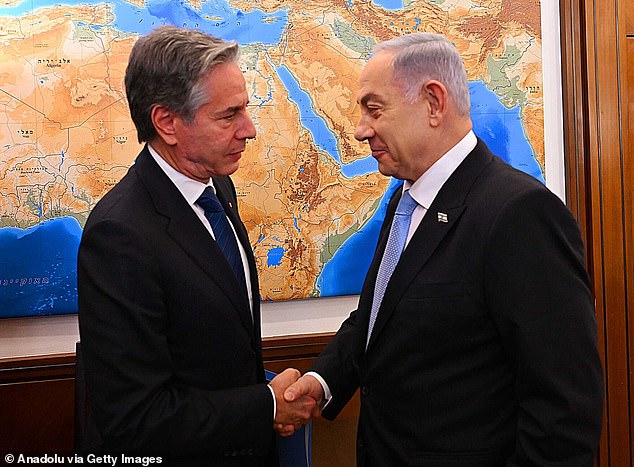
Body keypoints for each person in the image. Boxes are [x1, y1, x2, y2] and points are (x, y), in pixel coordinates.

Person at [285, 33, 604, 466]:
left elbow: (564, 407)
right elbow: (382, 314)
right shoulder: (404, 200)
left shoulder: (519, 215)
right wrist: (324, 380)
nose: (360, 130)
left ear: (434, 103)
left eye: (374, 109)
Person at [77, 26, 315, 466]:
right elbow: (134, 418)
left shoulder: (219, 186)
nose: (250, 130)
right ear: (167, 122)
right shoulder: (120, 235)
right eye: (229, 116)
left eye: (245, 109)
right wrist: (266, 405)